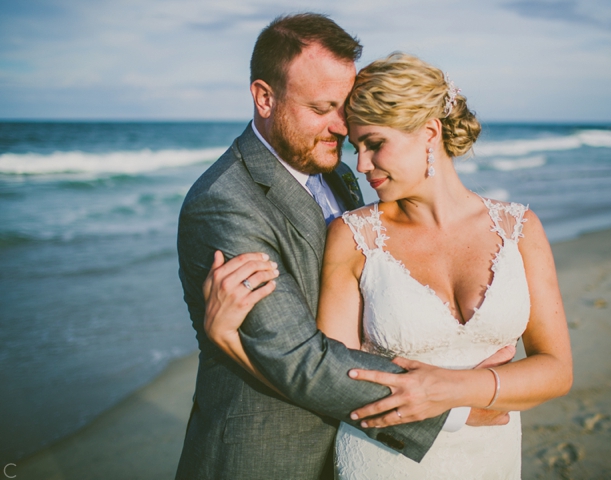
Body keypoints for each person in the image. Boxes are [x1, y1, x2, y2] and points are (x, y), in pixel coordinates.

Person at [204, 52, 573, 478]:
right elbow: (333, 379)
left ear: (430, 132)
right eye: (355, 147)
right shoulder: (354, 237)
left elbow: (557, 369)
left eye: (375, 144)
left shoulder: (520, 229)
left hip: (494, 458)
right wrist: (230, 340)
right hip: (383, 460)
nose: (361, 166)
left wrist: (455, 388)